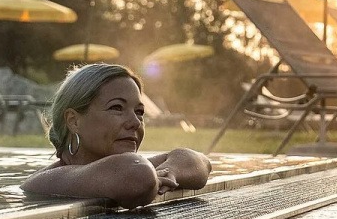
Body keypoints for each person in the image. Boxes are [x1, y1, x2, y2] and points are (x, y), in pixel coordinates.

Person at [21, 63, 211, 209]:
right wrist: (151, 177)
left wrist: (169, 172)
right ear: (74, 121)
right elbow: (139, 177)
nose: (135, 122)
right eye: (117, 108)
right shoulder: (47, 181)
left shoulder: (124, 170)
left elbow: (198, 161)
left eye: (139, 112)